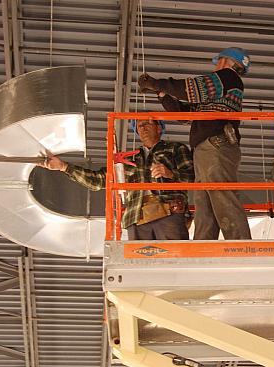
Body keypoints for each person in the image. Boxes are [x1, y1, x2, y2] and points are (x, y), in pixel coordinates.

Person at [137, 47, 252, 240]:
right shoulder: (221, 90)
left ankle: (240, 244)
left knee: (221, 195)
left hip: (215, 145)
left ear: (225, 60)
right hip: (208, 148)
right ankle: (203, 245)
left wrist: (158, 84)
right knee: (205, 201)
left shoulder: (228, 77)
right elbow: (184, 113)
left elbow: (191, 89)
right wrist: (161, 93)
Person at [39, 117, 194, 240]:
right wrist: (64, 167)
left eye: (148, 123)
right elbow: (98, 180)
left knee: (174, 260)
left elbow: (192, 177)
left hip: (169, 212)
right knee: (141, 267)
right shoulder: (128, 158)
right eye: (139, 125)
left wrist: (170, 173)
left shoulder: (175, 148)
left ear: (159, 128)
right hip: (136, 216)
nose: (144, 128)